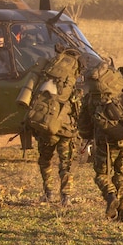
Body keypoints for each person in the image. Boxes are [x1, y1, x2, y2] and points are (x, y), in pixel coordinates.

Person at [79, 62, 123, 222]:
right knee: (122, 175)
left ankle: (110, 196)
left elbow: (84, 124)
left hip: (105, 142)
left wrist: (87, 136)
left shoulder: (93, 98)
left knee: (101, 175)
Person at [32, 45, 83, 205]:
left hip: (47, 126)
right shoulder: (74, 81)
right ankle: (65, 196)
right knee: (66, 163)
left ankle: (48, 193)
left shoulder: (47, 74)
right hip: (66, 129)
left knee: (45, 160)